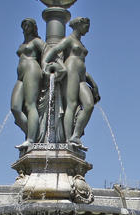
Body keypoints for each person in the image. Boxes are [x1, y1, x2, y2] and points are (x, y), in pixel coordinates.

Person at [43, 17, 100, 147]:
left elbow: (82, 66)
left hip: (81, 75)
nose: (88, 29)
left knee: (89, 105)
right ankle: (68, 140)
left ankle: (76, 135)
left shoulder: (80, 43)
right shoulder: (69, 40)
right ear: (78, 25)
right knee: (72, 104)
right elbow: (53, 50)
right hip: (71, 70)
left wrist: (94, 84)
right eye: (86, 26)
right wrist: (45, 63)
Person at [10, 18, 46, 149]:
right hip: (20, 75)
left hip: (32, 69)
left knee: (30, 104)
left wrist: (49, 66)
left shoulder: (36, 41)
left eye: (28, 25)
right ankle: (33, 133)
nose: (25, 27)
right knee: (15, 107)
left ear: (34, 27)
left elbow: (48, 52)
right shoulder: (23, 43)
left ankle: (31, 139)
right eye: (24, 25)